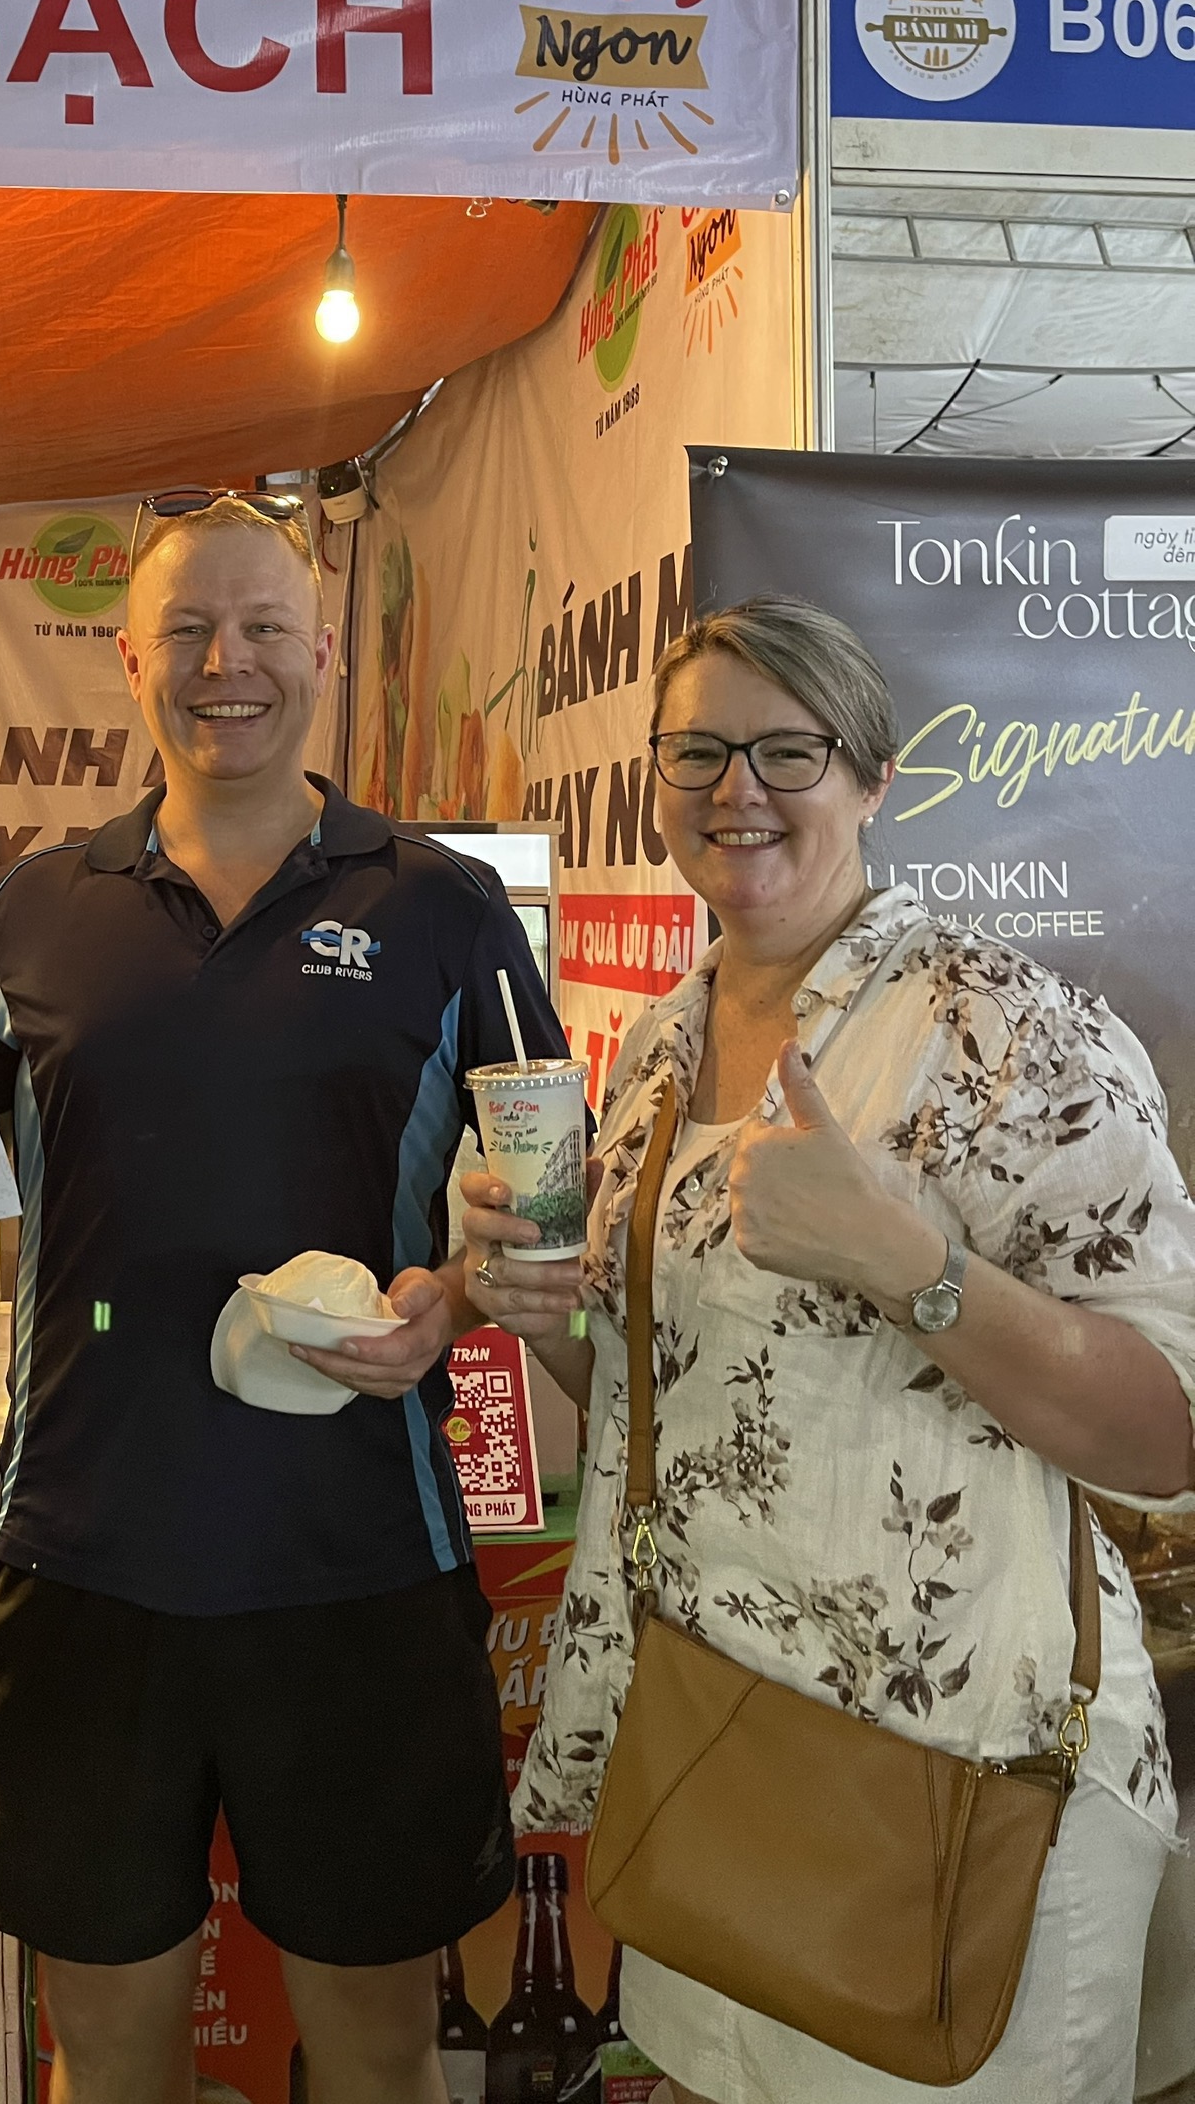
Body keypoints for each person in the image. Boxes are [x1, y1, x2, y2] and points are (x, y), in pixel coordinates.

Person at [0, 490, 566, 2104]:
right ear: (134, 668)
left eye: (266, 630)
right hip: (86, 1564)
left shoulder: (445, 910)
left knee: (375, 2056)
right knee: (111, 2055)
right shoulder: (22, 910)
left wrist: (455, 1293)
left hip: (360, 1565)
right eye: (190, 635)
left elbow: (542, 1212)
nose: (229, 665)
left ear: (320, 661)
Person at [462, 594, 1195, 2104]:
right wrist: (553, 1326)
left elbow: (1167, 1433)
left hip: (955, 1791)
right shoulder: (660, 1053)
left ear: (872, 778)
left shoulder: (1002, 1028)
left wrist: (910, 1265)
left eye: (790, 750)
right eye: (702, 751)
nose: (740, 792)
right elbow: (680, 1419)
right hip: (720, 1761)